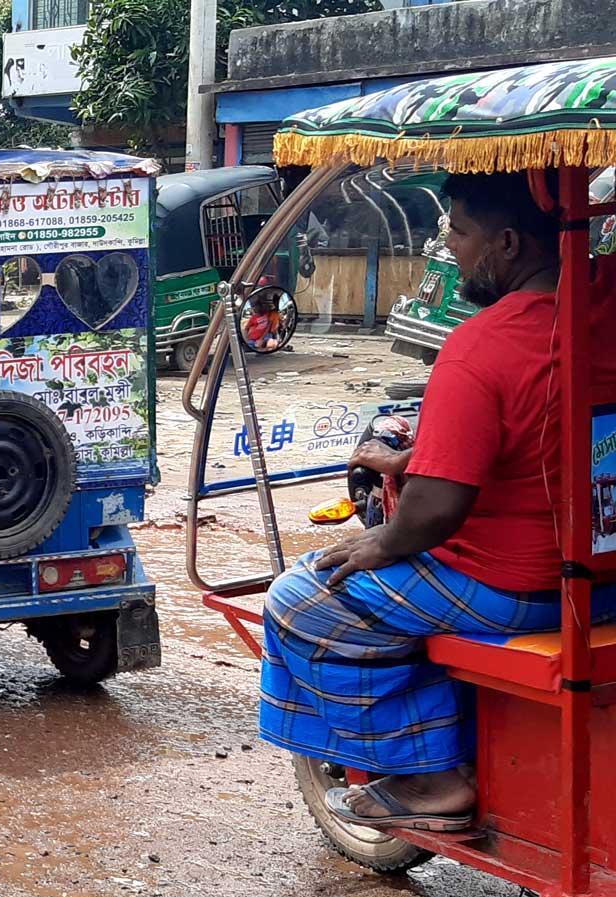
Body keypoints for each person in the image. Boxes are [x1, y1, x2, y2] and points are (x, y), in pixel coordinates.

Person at [262, 171, 616, 831]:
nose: (447, 246)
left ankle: (431, 777)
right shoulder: (604, 300)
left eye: (458, 230)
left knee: (301, 599)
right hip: (605, 575)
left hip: (525, 585)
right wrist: (412, 461)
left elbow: (434, 512)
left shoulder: (479, 348)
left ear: (506, 243)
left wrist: (383, 540)